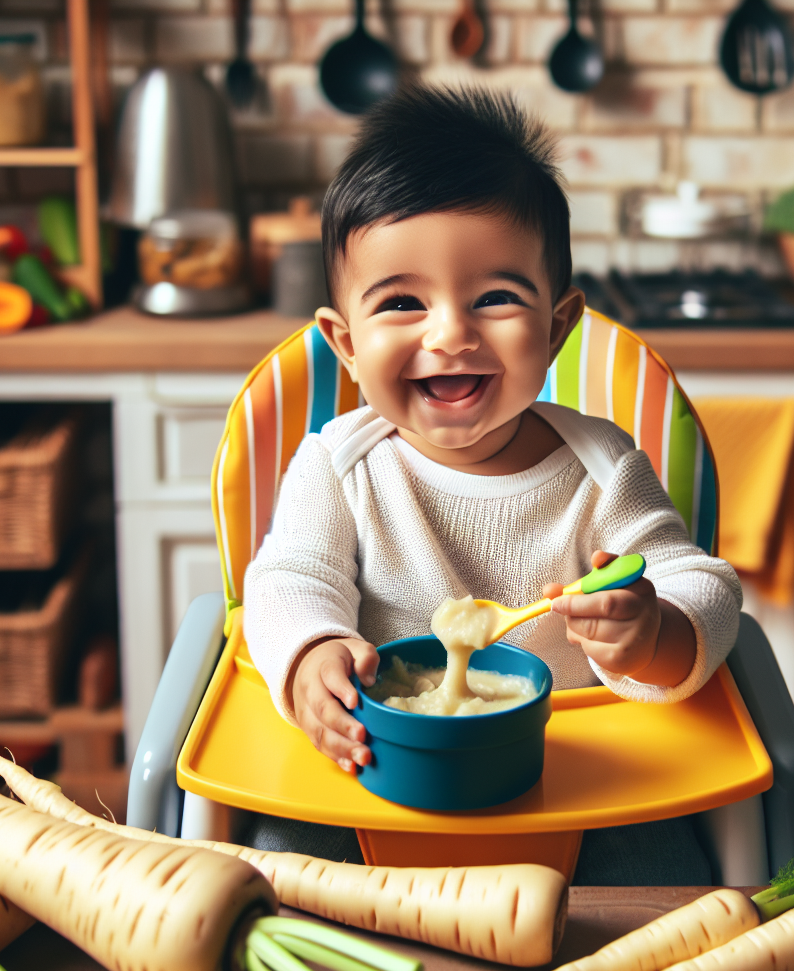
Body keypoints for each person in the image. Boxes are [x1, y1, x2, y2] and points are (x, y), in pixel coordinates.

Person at [240, 86, 742, 883]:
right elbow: (285, 578)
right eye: (402, 302)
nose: (450, 333)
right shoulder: (339, 465)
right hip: (380, 777)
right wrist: (309, 656)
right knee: (269, 867)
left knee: (671, 885)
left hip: (576, 786)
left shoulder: (603, 467)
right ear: (344, 342)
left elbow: (702, 583)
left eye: (496, 298)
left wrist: (656, 634)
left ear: (557, 326)